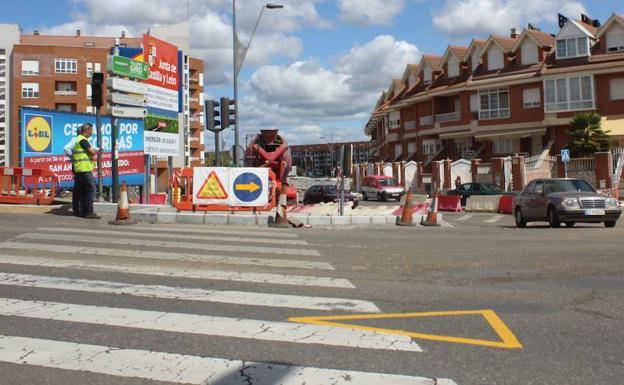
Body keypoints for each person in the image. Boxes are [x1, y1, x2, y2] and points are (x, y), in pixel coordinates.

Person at [72, 123, 101, 219]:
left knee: (83, 190)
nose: (92, 133)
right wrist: (95, 153)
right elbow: (92, 151)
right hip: (83, 169)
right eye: (91, 130)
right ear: (87, 130)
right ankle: (89, 212)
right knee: (91, 188)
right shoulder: (82, 140)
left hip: (79, 169)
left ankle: (82, 211)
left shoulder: (78, 140)